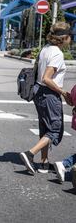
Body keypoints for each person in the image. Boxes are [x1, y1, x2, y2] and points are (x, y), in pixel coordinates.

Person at [20, 22, 72, 175]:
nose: (71, 40)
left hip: (39, 92)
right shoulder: (57, 53)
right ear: (64, 38)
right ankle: (30, 154)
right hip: (49, 93)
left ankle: (43, 162)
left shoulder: (45, 49)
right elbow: (47, 78)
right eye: (70, 37)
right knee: (55, 130)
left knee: (44, 128)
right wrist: (63, 93)